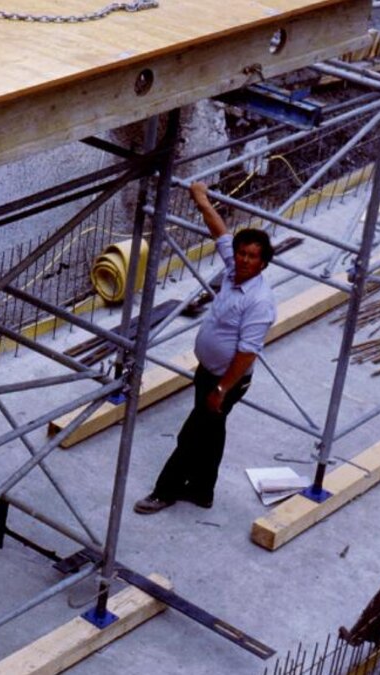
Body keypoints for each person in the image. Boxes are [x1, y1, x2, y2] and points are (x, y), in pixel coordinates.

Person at [133, 182, 276, 515]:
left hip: (226, 381)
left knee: (192, 434)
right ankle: (202, 490)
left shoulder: (259, 301)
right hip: (209, 372)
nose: (244, 259)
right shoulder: (232, 272)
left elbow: (247, 352)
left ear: (263, 264)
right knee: (212, 432)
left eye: (252, 257)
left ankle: (164, 491)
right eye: (242, 253)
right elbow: (220, 233)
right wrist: (201, 200)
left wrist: (222, 390)